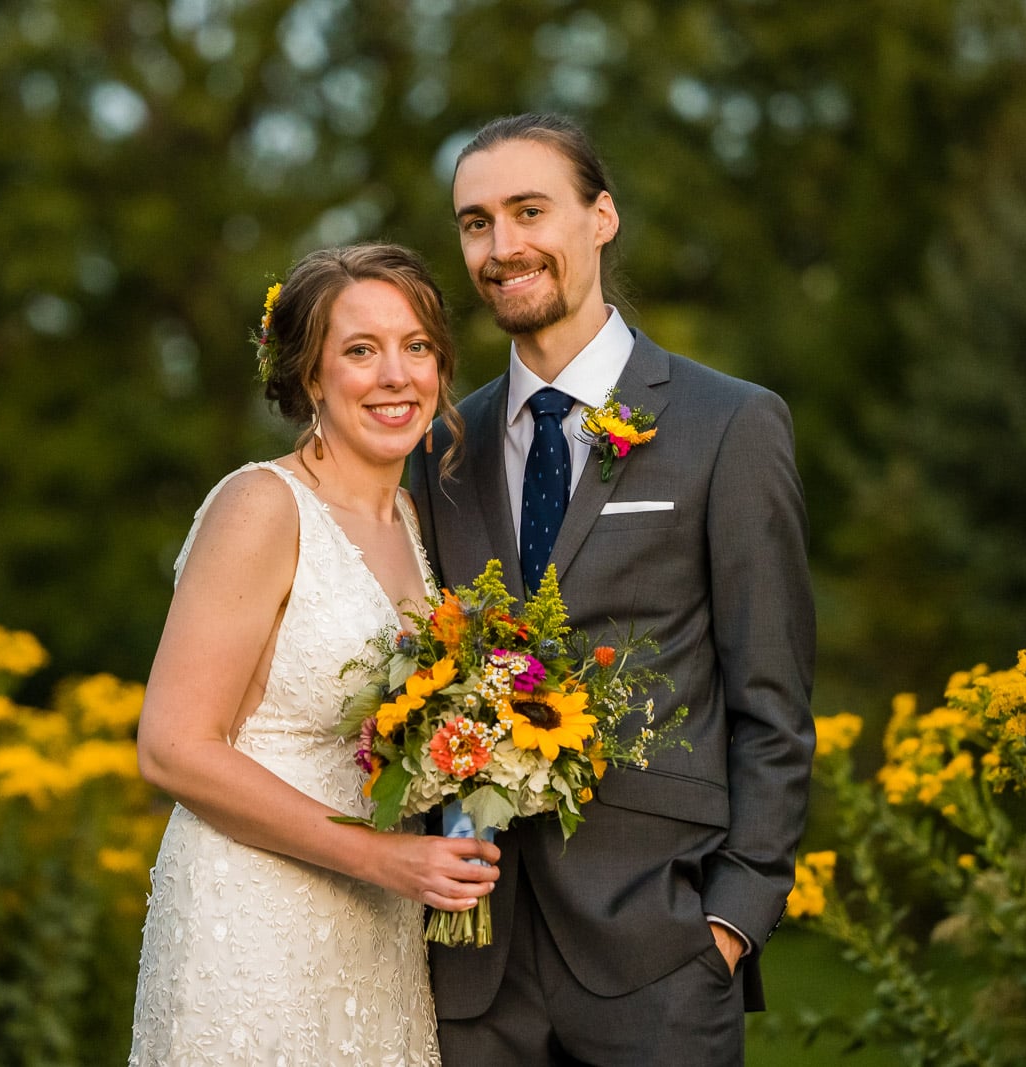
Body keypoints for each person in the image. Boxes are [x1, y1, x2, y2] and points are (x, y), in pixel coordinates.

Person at [410, 113, 816, 1064]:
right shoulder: (439, 451)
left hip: (661, 956)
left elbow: (773, 696)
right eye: (476, 222)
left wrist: (733, 917)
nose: (502, 246)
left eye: (528, 210)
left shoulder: (730, 425)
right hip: (474, 967)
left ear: (601, 217)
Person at [130, 242, 500, 1065]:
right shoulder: (261, 506)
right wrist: (381, 854)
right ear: (309, 377)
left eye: (417, 346)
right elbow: (173, 746)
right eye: (360, 351)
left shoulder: (410, 519)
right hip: (255, 922)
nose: (396, 375)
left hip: (378, 932)